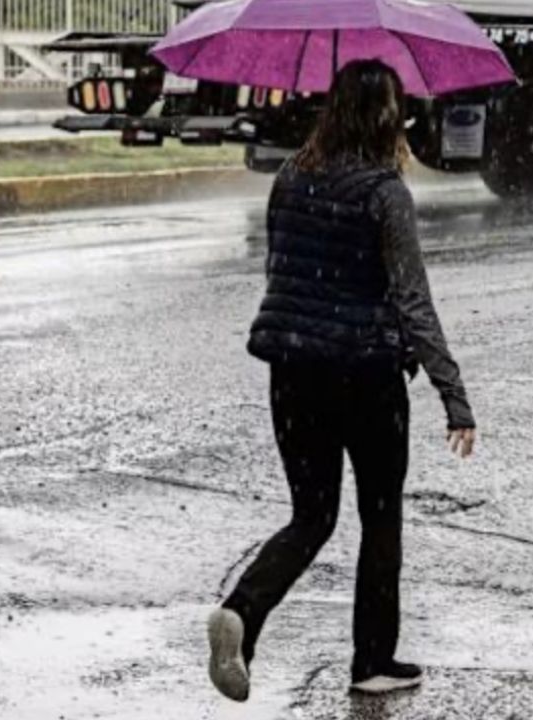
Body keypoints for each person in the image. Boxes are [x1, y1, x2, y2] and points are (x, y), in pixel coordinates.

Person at [206, 60, 476, 702]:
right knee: (380, 519)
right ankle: (372, 661)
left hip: (293, 370)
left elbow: (282, 269)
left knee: (311, 515)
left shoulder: (291, 176)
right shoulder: (385, 193)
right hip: (367, 377)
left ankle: (242, 612)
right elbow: (413, 302)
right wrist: (452, 394)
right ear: (388, 116)